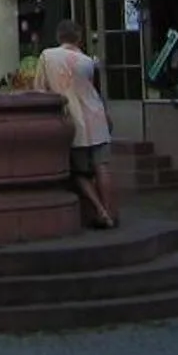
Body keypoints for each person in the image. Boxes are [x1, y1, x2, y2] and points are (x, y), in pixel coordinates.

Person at [36, 19, 117, 231]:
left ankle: (100, 211)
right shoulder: (87, 61)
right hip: (96, 117)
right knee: (102, 166)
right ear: (79, 38)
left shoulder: (47, 56)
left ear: (58, 36)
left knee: (79, 172)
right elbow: (92, 89)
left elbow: (40, 88)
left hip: (74, 120)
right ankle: (110, 211)